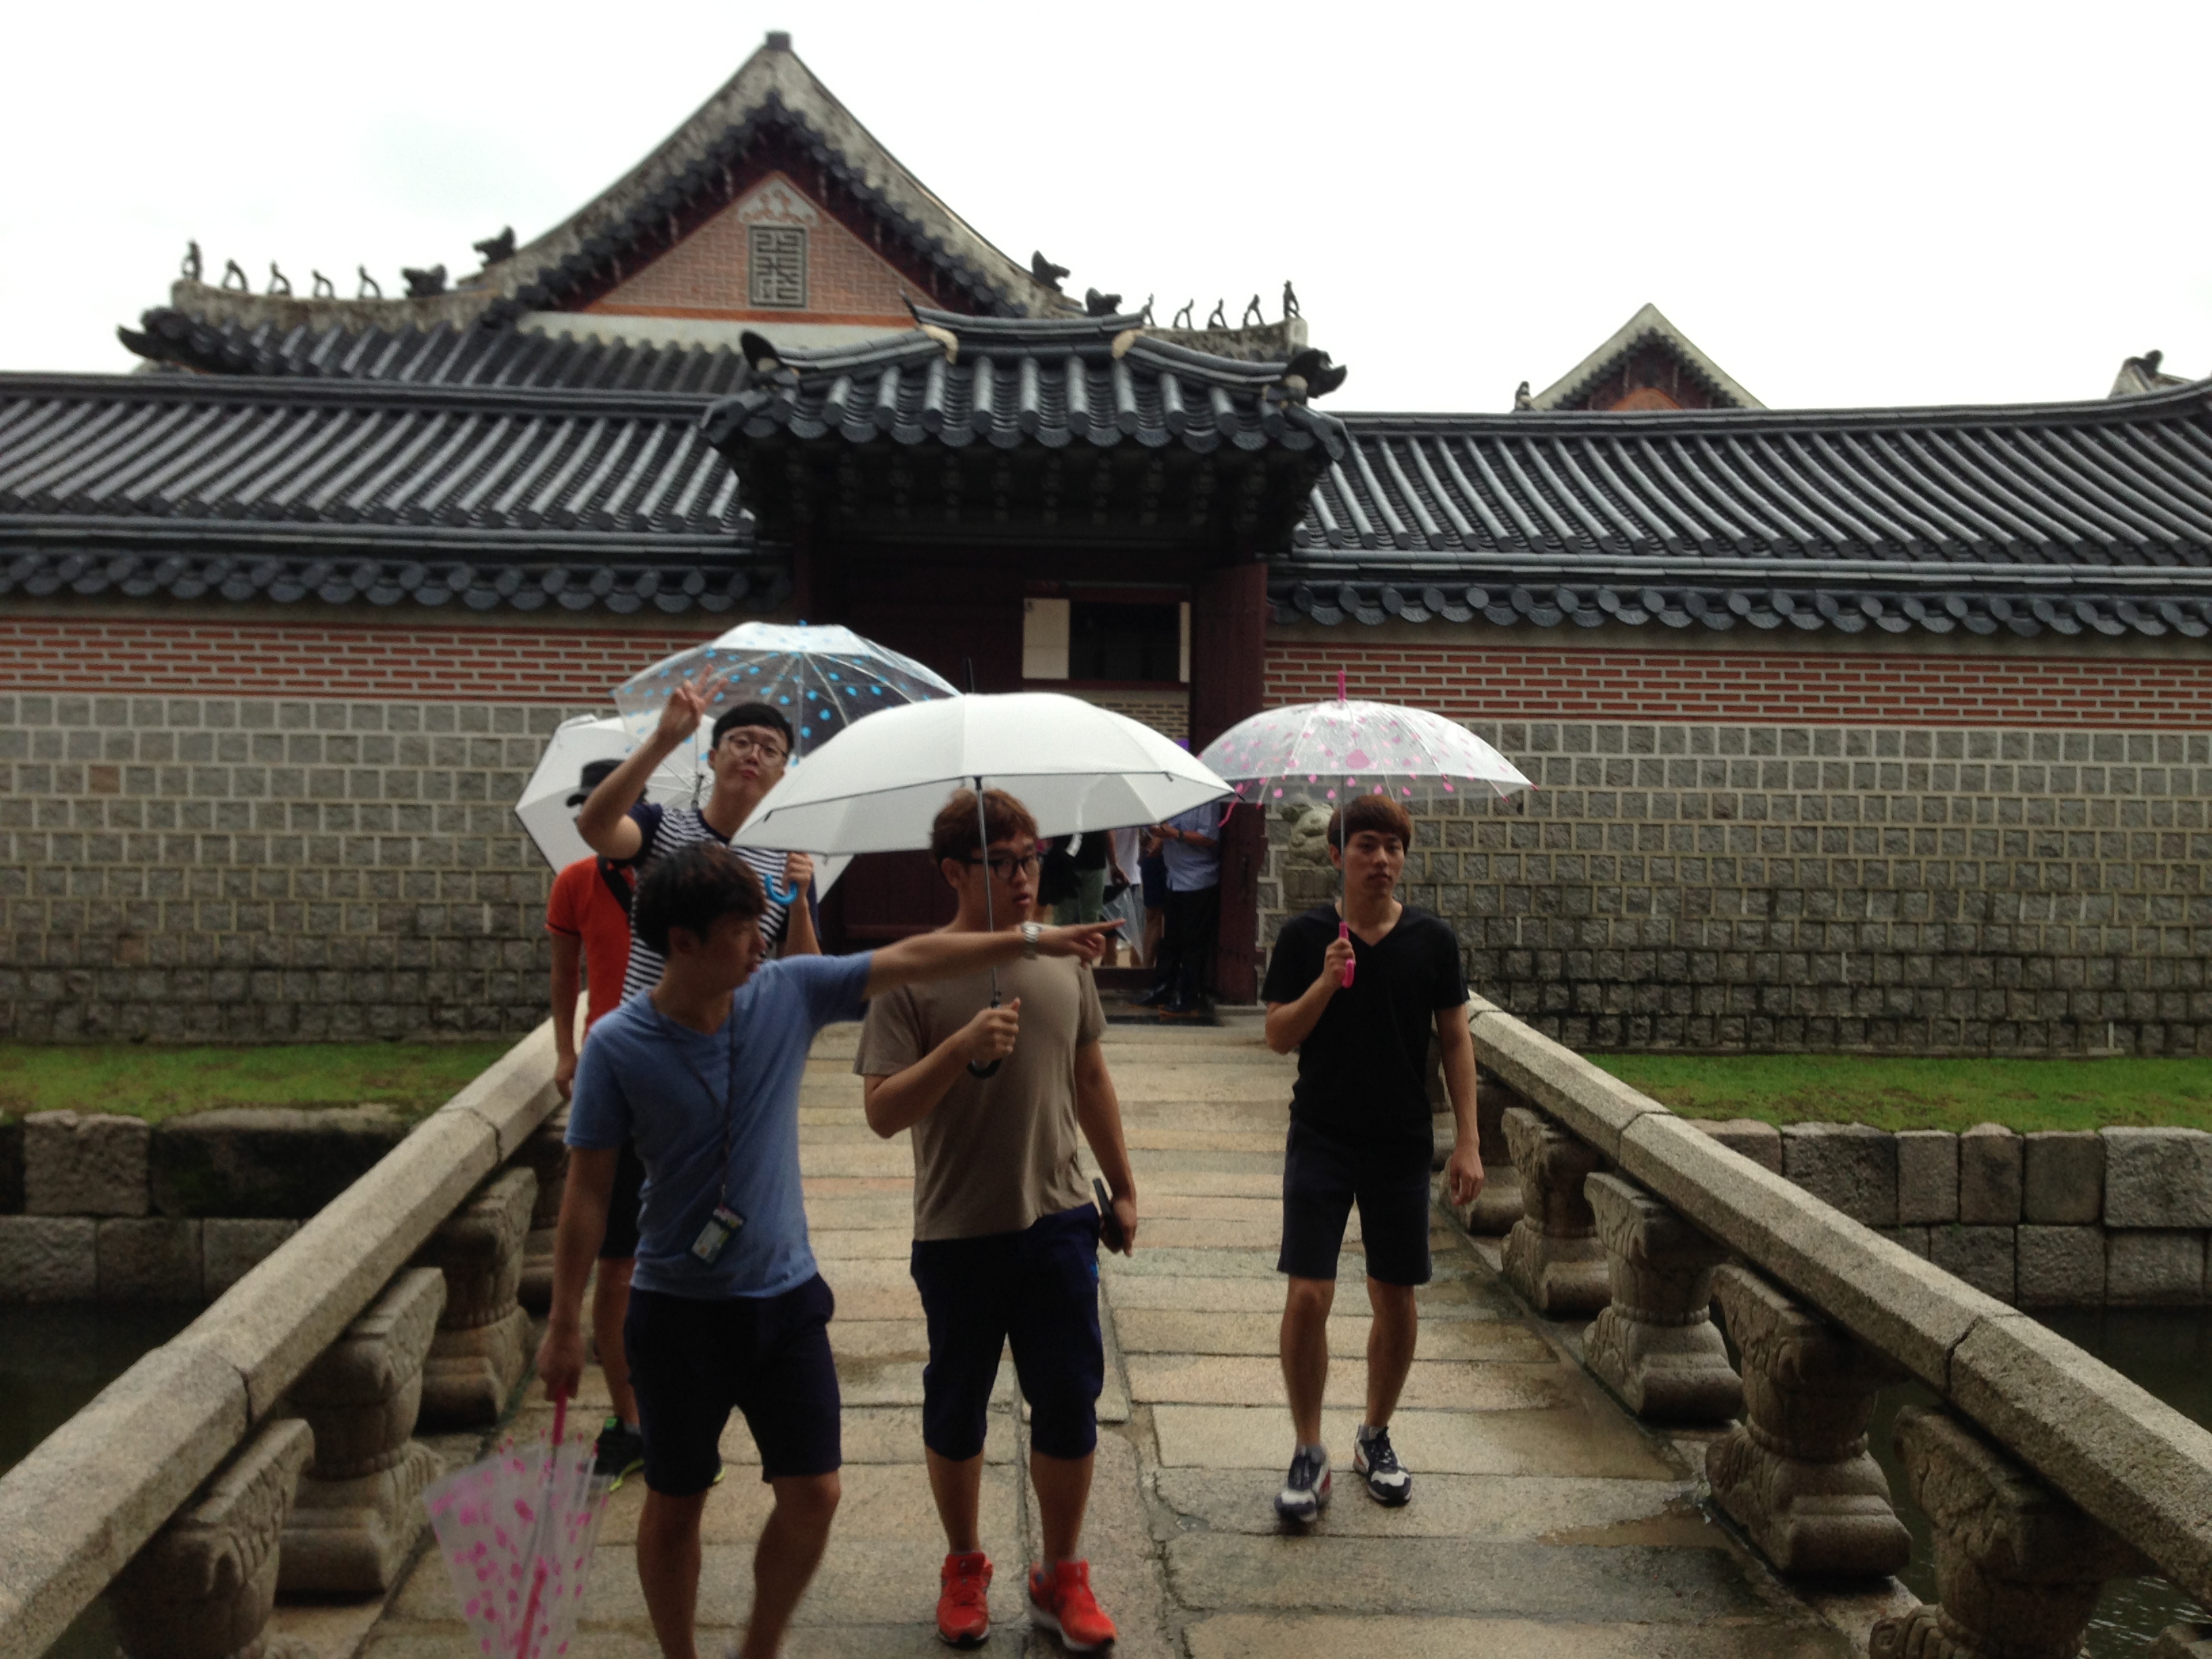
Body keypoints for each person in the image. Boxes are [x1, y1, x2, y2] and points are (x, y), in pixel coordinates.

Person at [535, 843, 1120, 1659]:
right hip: (677, 1312)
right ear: (682, 942)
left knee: (815, 1493)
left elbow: (915, 958)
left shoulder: (786, 992)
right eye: (741, 931)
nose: (760, 944)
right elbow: (588, 1193)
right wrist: (565, 1323)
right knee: (676, 1498)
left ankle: (759, 1647)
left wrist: (1032, 940)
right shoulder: (617, 1046)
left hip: (785, 1300)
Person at [855, 791, 1139, 1652]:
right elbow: (882, 1111)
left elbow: (1090, 1077)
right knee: (958, 1404)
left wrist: (1124, 1185)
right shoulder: (908, 972)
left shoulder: (1064, 957)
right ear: (953, 871)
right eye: (1003, 862)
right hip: (958, 1226)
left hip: (1059, 1216)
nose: (1024, 878)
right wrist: (959, 1049)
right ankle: (964, 1565)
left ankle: (1062, 1573)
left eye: (1032, 859)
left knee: (1069, 1399)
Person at [572, 679, 821, 1483]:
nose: (754, 753)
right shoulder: (664, 827)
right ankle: (630, 1418)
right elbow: (595, 827)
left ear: (783, 772)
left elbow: (805, 979)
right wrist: (661, 740)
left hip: (726, 1085)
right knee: (620, 1261)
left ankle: (702, 1395)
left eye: (771, 748)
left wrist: (802, 899)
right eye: (740, 741)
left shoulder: (787, 861)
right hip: (646, 1070)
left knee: (716, 1248)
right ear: (713, 757)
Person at [1258, 795, 1483, 1522]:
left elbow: (1456, 1039)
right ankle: (1307, 1448)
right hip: (1321, 1135)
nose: (1382, 860)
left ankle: (1376, 1433)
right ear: (1337, 855)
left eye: (1394, 847)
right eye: (1366, 846)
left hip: (1400, 1141)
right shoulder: (1305, 937)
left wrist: (1470, 1141)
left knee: (1396, 1294)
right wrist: (1326, 982)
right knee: (1308, 1296)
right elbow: (1278, 1036)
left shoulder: (1431, 940)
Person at [544, 759, 645, 1486]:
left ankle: (680, 1409)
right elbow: (566, 971)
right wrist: (565, 1049)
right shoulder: (575, 882)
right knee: (616, 1266)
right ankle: (632, 1419)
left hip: (681, 1079)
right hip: (610, 1078)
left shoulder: (679, 879)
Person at [1139, 798, 1224, 1014]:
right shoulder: (1176, 798)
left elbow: (1210, 837)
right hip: (1174, 876)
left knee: (1192, 942)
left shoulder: (1206, 801)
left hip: (1198, 878)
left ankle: (1189, 996)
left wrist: (1175, 834)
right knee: (1170, 939)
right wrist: (1159, 834)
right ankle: (1162, 989)